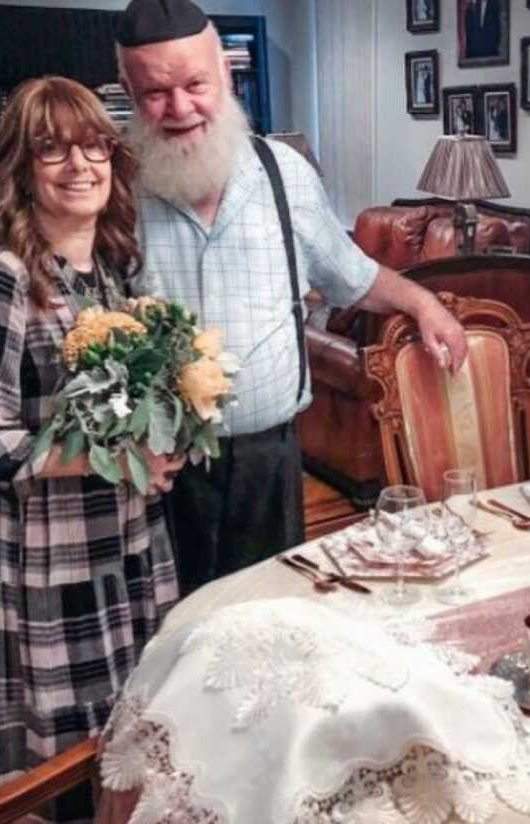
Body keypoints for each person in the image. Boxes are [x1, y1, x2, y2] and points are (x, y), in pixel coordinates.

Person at [114, 0, 467, 594]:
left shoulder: (285, 174)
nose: (179, 109)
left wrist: (423, 303)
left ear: (225, 72)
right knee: (172, 640)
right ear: (127, 88)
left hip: (269, 461)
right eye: (155, 93)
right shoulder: (112, 190)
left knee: (269, 618)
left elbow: (352, 274)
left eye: (195, 84)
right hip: (158, 471)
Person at [0, 77, 183, 822]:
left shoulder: (110, 273)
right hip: (44, 561)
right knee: (65, 772)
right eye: (50, 149)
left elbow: (120, 413)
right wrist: (100, 460)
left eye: (93, 145)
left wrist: (163, 442)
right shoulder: (0, 275)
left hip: (126, 543)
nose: (78, 164)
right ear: (19, 168)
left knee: (132, 735)